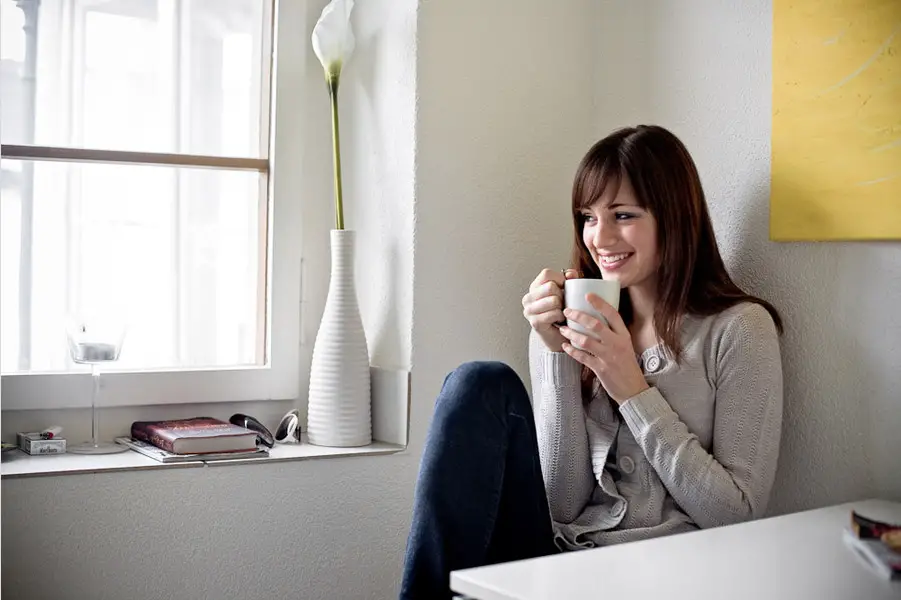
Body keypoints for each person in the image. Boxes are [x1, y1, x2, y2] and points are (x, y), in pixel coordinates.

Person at [399, 125, 784, 600]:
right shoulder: (580, 321)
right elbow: (563, 502)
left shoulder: (739, 329)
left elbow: (738, 515)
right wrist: (554, 350)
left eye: (623, 215)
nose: (599, 237)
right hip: (560, 554)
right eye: (587, 216)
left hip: (661, 572)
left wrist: (632, 389)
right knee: (478, 383)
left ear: (675, 218)